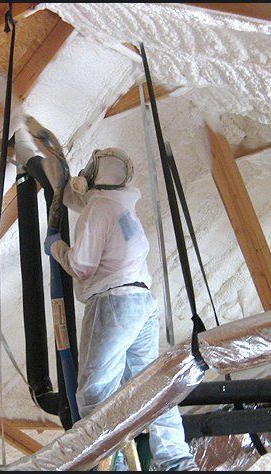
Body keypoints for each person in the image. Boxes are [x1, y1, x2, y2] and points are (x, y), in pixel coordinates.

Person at [44, 147, 198, 472]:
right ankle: (177, 462)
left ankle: (110, 465)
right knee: (152, 388)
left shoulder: (98, 209)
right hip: (143, 302)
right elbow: (85, 208)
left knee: (97, 391)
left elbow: (82, 265)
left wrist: (57, 248)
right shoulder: (121, 207)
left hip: (113, 304)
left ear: (89, 179)